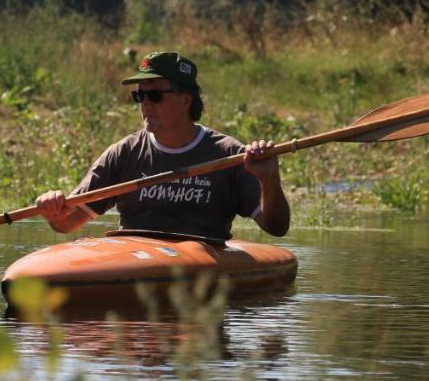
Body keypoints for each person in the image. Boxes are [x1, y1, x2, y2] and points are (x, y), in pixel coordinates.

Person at [35, 51, 289, 241]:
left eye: (155, 95)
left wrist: (269, 180)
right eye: (140, 95)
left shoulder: (230, 154)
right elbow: (67, 224)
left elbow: (277, 227)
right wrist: (54, 210)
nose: (145, 103)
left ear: (186, 100)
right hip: (133, 258)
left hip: (199, 264)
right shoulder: (124, 153)